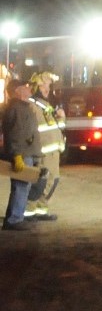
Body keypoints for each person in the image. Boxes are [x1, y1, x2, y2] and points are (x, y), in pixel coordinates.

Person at [4, 68, 44, 231]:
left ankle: (16, 216)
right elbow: (15, 134)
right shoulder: (16, 108)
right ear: (18, 91)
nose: (28, 89)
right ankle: (14, 219)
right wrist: (16, 155)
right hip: (23, 154)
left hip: (29, 153)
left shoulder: (23, 107)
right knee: (21, 186)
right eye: (25, 87)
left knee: (24, 186)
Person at [25, 71, 64, 220]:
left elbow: (55, 127)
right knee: (39, 182)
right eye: (43, 86)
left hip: (53, 152)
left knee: (52, 182)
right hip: (42, 153)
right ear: (35, 88)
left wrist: (61, 119)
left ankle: (41, 210)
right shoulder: (31, 105)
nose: (47, 89)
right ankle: (28, 212)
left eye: (48, 86)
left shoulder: (45, 105)